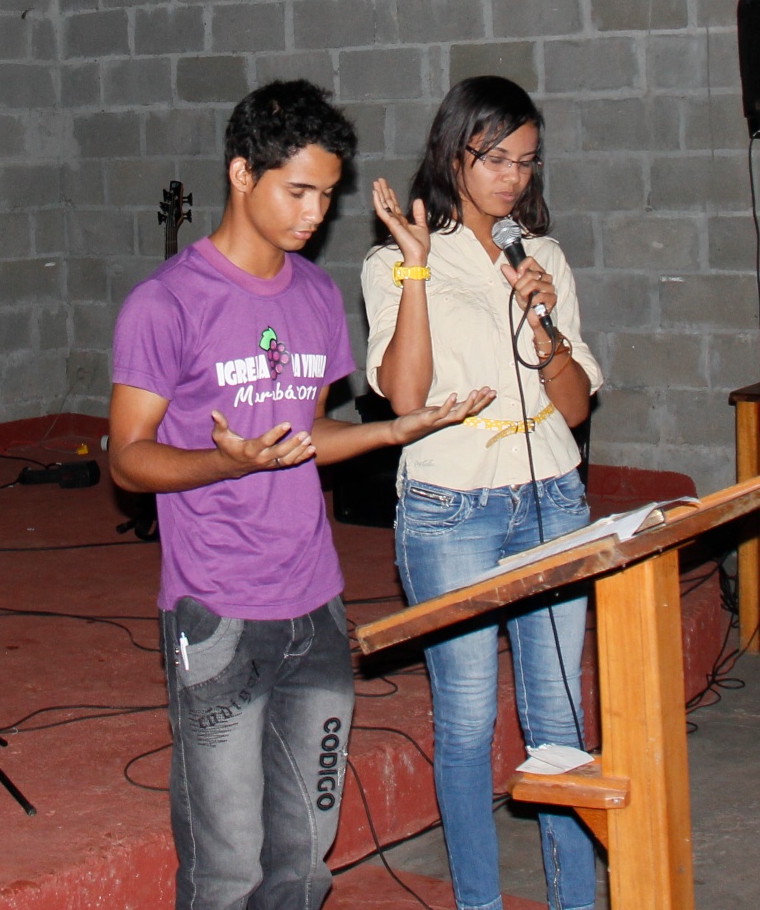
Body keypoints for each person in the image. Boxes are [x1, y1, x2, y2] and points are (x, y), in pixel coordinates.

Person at [107, 80, 494, 910]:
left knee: (304, 855)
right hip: (216, 607)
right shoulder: (164, 303)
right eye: (298, 191)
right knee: (226, 864)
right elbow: (127, 460)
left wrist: (394, 431)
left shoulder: (316, 295)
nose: (315, 212)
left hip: (314, 604)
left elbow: (305, 434)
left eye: (327, 193)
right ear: (241, 173)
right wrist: (222, 465)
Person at [360, 76, 604, 910]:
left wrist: (544, 325)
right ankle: (478, 902)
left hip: (552, 497)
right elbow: (403, 397)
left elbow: (575, 408)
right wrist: (417, 272)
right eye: (494, 158)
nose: (512, 177)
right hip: (452, 508)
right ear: (452, 152)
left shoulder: (543, 259)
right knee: (466, 723)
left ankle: (575, 901)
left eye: (525, 162)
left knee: (560, 721)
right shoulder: (394, 259)